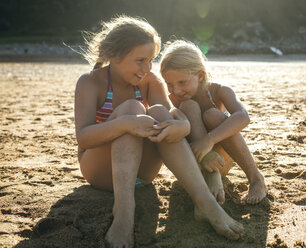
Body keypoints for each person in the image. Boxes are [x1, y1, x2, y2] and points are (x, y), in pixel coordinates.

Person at [74, 16, 244, 247]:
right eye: (140, 60)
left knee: (158, 112)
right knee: (132, 109)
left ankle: (204, 202)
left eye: (151, 60)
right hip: (101, 172)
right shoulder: (90, 82)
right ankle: (124, 212)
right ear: (114, 56)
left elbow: (172, 114)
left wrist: (182, 125)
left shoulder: (150, 81)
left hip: (143, 174)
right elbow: (83, 137)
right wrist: (125, 124)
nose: (147, 68)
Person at [159, 40, 267, 206]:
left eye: (182, 82)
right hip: (194, 162)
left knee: (212, 115)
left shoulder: (219, 91)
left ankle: (255, 178)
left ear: (200, 76)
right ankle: (210, 176)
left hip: (221, 159)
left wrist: (209, 140)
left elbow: (243, 116)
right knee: (187, 107)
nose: (176, 90)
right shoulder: (175, 98)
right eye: (169, 84)